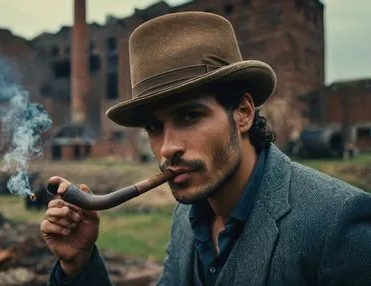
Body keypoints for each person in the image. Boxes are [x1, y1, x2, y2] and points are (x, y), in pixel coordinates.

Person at [41, 12, 371, 285]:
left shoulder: (338, 225)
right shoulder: (188, 217)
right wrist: (79, 266)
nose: (167, 148)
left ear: (243, 113)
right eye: (154, 127)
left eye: (189, 116)